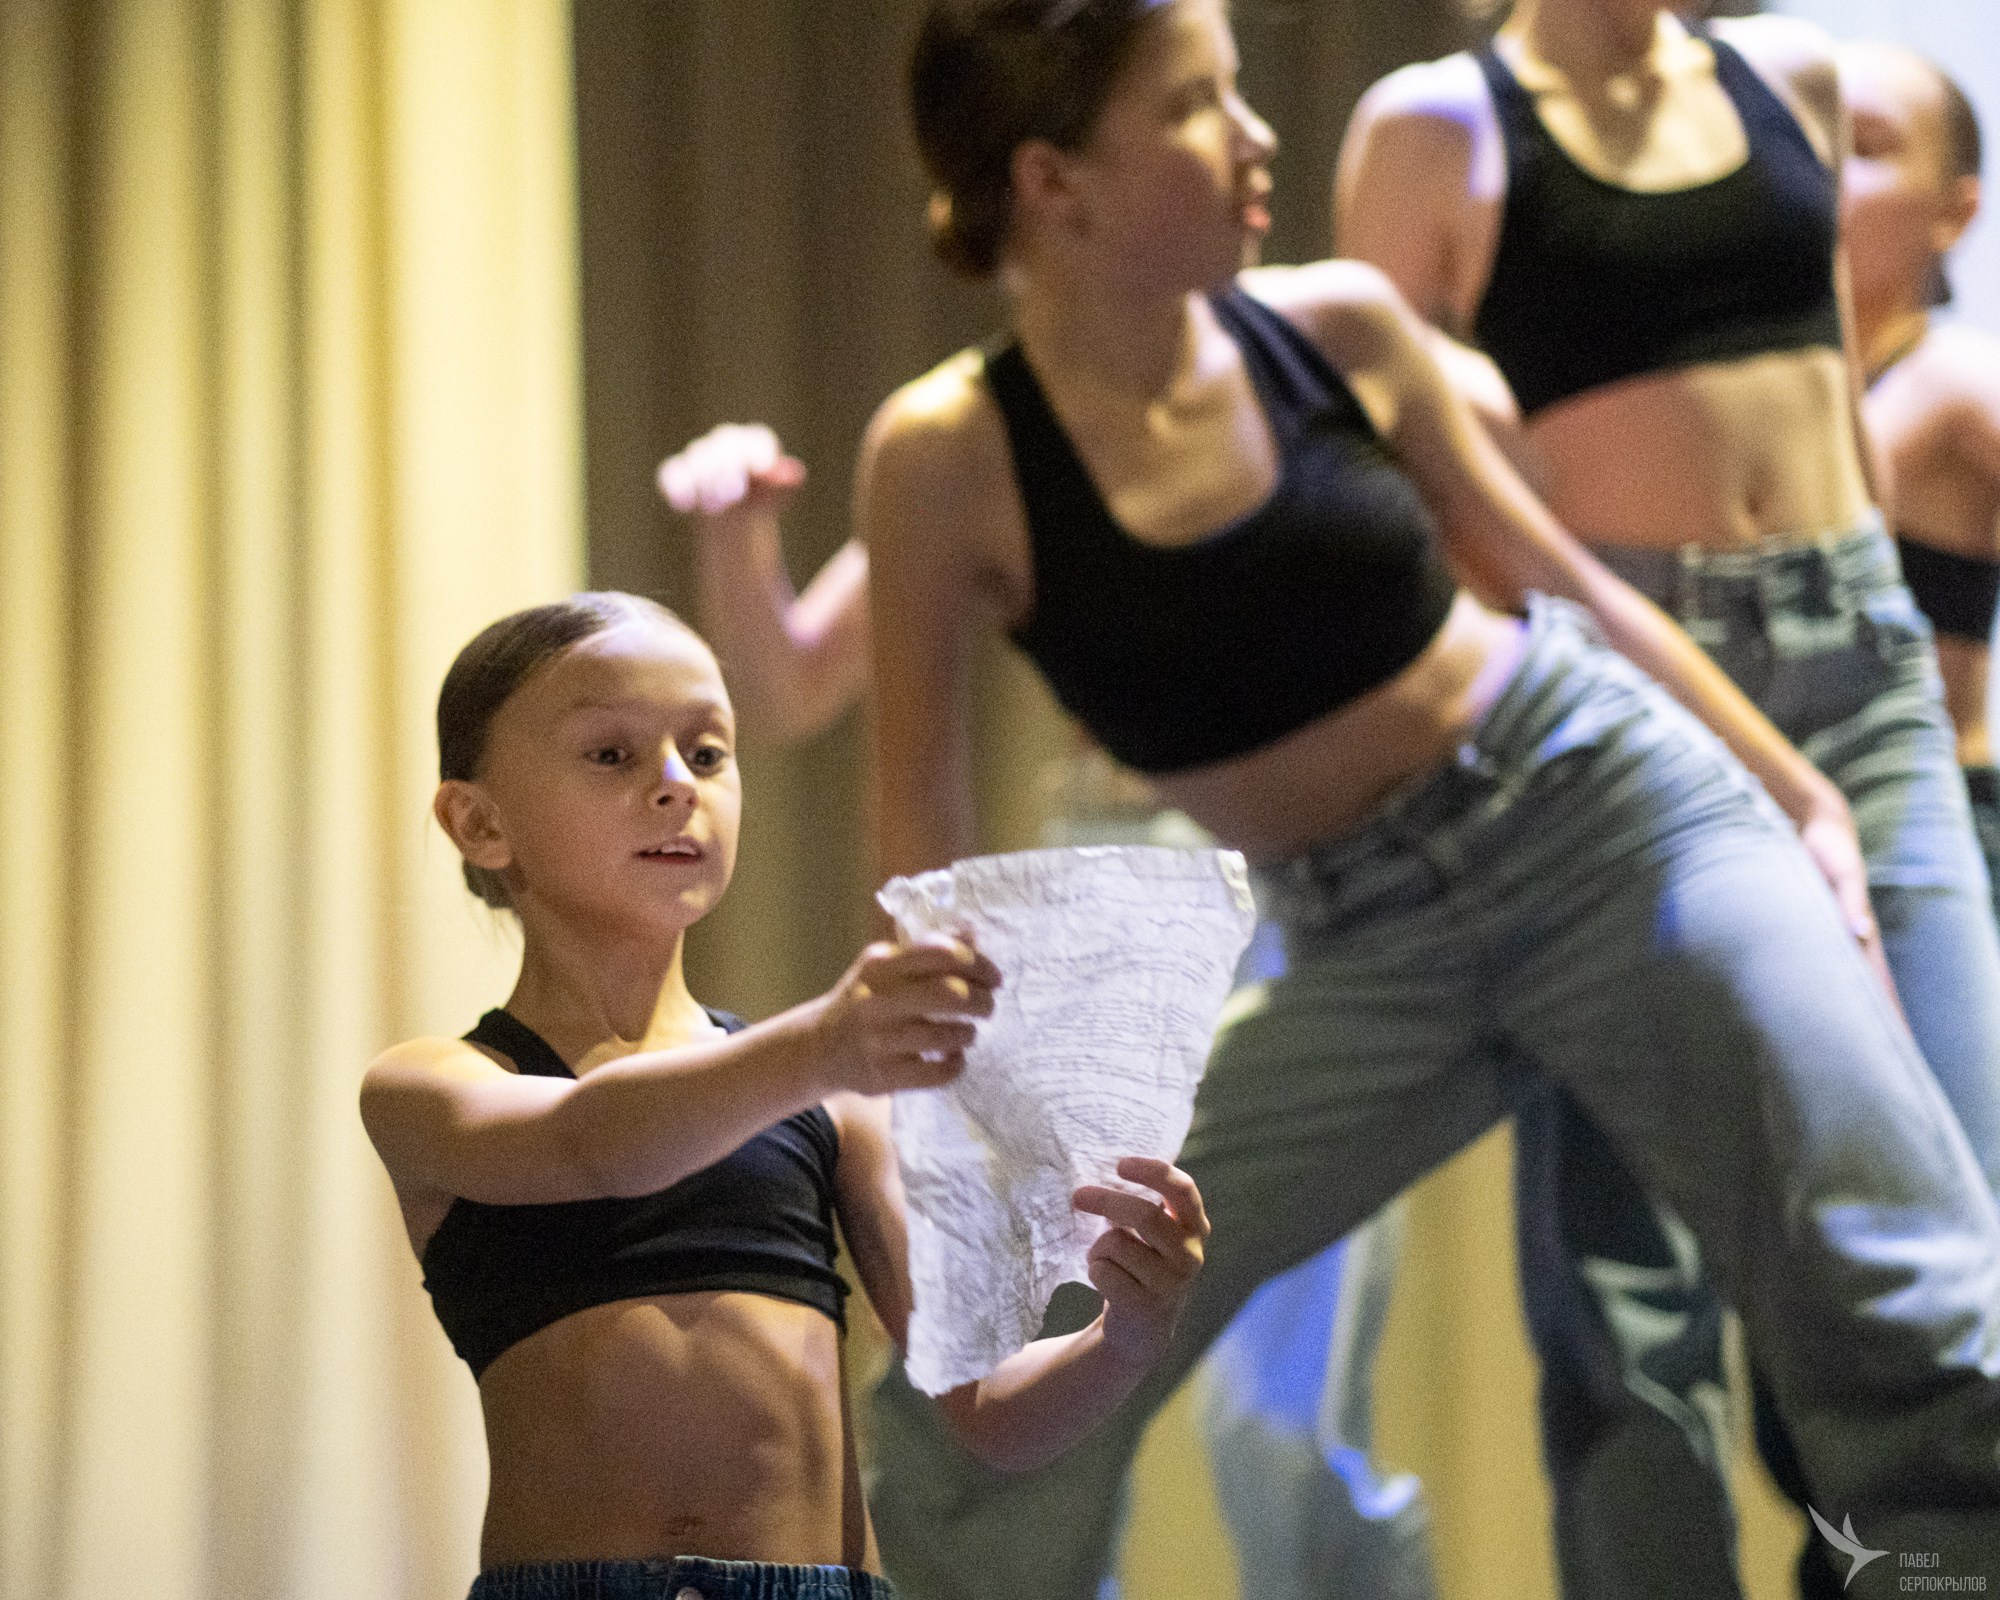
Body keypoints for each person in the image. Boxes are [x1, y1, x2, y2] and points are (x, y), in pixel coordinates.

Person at [821, 3, 2000, 1598]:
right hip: (1365, 941)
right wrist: (950, 1171)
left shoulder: (1337, 328)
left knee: (1910, 1304)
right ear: (1052, 180)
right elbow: (927, 857)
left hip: (1606, 820)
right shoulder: (947, 455)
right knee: (994, 1378)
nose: (1257, 139)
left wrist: (1799, 796)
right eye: (1197, 105)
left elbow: (1571, 587)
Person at [1338, 4, 2000, 1594]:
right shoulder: (1439, 126)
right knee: (1630, 1297)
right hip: (1622, 704)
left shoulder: (1790, 75)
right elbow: (1386, 472)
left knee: (1953, 1237)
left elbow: (1830, 395)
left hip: (1858, 672)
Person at [356, 590, 1212, 1600]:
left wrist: (1122, 1336)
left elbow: (986, 1408)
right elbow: (596, 1142)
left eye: (706, 752)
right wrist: (819, 1046)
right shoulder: (431, 1087)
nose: (676, 785)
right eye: (612, 754)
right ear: (480, 821)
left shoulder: (831, 1106)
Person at [1841, 41, 2000, 919]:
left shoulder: (1956, 382)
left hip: (1934, 839)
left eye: (1864, 147)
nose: (1823, 171)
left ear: (1954, 212)